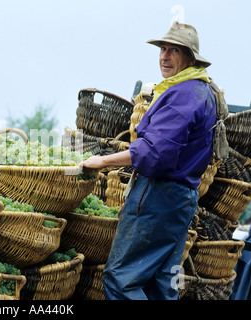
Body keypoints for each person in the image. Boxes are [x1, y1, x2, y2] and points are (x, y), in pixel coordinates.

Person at [81, 21, 227, 299]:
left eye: (174, 51)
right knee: (161, 283)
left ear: (191, 58)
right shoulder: (203, 91)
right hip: (181, 199)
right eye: (163, 49)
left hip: (159, 197)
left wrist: (100, 162)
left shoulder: (183, 94)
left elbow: (152, 152)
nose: (165, 56)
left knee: (121, 280)